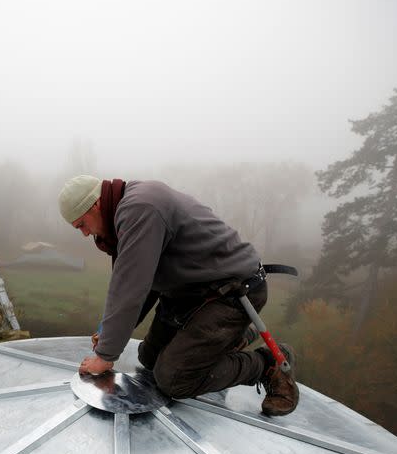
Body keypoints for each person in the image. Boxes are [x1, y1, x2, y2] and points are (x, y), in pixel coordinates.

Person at [58, 175, 299, 416]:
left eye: (82, 224)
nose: (85, 234)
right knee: (149, 358)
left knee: (174, 379)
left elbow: (130, 287)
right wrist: (107, 333)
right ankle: (230, 340)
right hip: (193, 291)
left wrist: (105, 355)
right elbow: (143, 283)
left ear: (95, 205)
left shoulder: (140, 209)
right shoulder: (129, 208)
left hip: (232, 292)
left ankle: (267, 365)